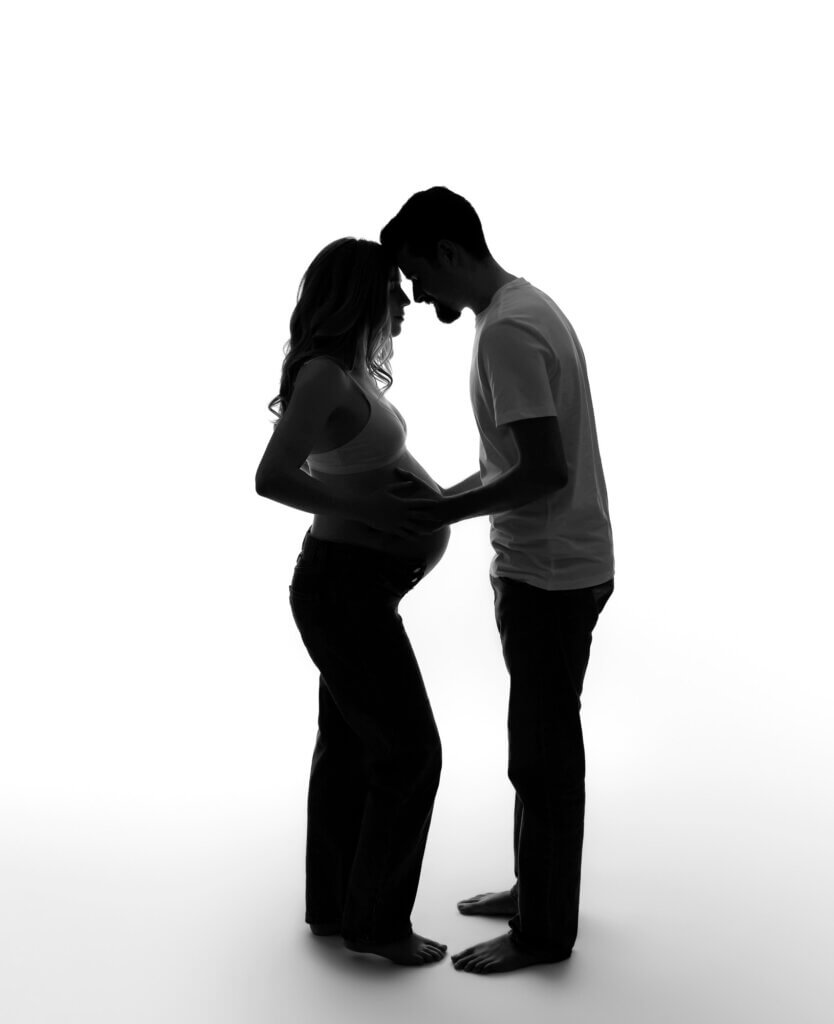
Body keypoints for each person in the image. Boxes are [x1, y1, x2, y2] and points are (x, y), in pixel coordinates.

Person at [379, 187, 615, 974]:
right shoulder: (519, 310)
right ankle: (536, 888)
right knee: (536, 747)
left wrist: (447, 504)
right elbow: (531, 463)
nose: (416, 294)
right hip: (557, 566)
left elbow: (543, 470)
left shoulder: (508, 330)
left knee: (543, 757)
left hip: (548, 575)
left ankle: (544, 934)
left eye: (418, 274)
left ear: (448, 250)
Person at [255, 238, 450, 966]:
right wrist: (360, 503)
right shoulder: (324, 379)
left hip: (358, 585)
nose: (405, 304)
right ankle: (377, 925)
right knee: (410, 753)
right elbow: (271, 476)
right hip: (344, 589)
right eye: (394, 293)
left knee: (349, 748)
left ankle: (336, 910)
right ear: (363, 297)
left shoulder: (345, 376)